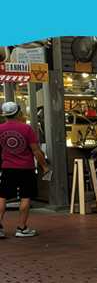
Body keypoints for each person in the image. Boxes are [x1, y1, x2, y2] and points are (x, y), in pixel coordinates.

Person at [0, 101, 48, 238]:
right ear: (18, 113)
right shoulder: (26, 129)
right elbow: (36, 151)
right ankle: (21, 228)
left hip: (7, 168)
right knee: (25, 197)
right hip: (26, 168)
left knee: (2, 196)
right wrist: (44, 166)